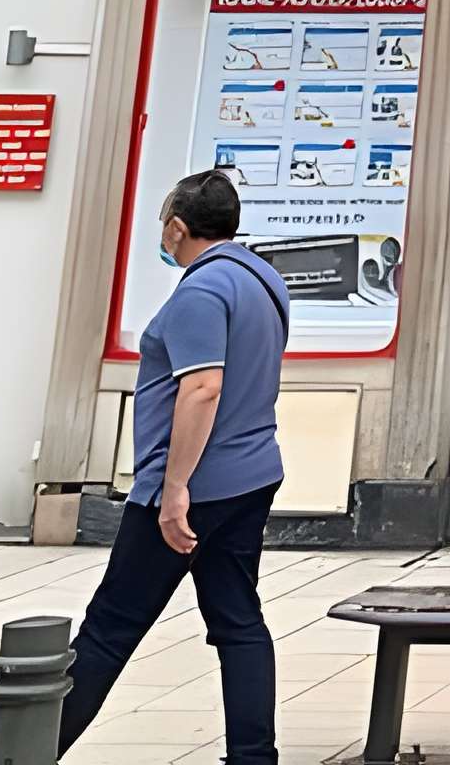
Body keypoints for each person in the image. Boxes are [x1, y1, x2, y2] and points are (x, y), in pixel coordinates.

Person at [59, 171, 291, 765]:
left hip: (194, 487)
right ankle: (253, 757)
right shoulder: (263, 279)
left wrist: (174, 489)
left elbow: (202, 389)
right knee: (238, 620)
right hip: (253, 473)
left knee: (109, 626)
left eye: (165, 226)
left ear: (178, 227)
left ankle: (11, 754)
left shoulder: (201, 293)